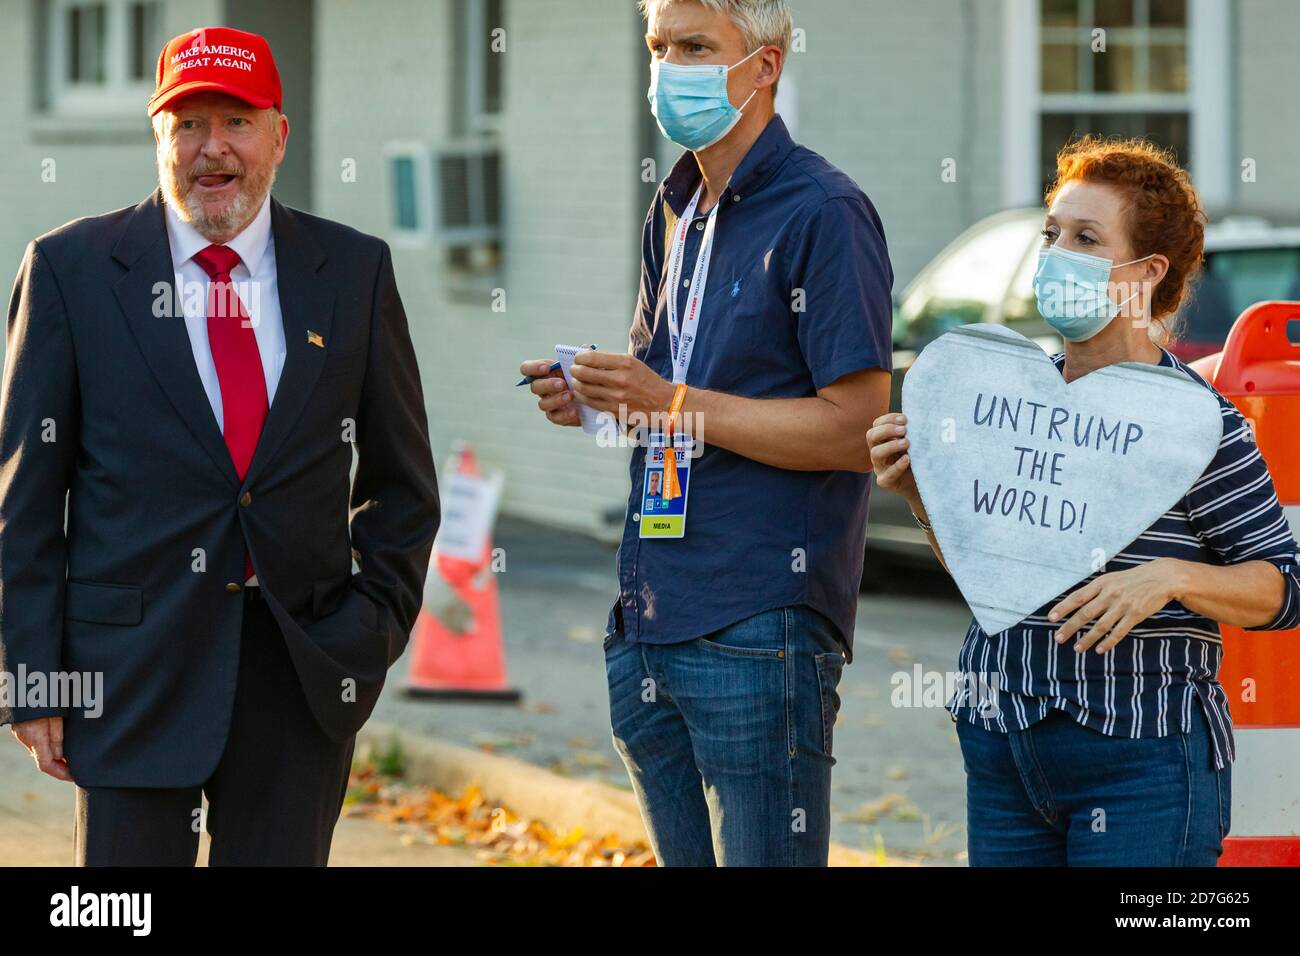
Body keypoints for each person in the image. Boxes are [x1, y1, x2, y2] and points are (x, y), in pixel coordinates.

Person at [0, 27, 440, 865]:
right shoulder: (70, 270)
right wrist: (32, 677)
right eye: (189, 123)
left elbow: (401, 484)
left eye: (237, 122)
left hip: (301, 673)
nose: (213, 150)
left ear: (280, 134)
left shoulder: (353, 272)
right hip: (127, 674)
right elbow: (24, 496)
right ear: (158, 138)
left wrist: (367, 632)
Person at [520, 0, 893, 866]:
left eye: (695, 47)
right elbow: (669, 394)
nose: (668, 68)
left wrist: (673, 400)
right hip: (649, 612)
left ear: (763, 68)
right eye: (658, 47)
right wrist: (598, 400)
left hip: (759, 620)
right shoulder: (676, 207)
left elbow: (857, 429)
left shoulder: (826, 211)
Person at [868, 136, 1300, 866]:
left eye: (1085, 238)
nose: (1055, 254)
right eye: (1053, 234)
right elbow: (990, 578)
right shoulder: (1002, 402)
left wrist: (1172, 577)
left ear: (1147, 271)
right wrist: (920, 496)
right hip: (1003, 740)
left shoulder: (1199, 423)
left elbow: (1283, 589)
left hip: (1143, 759)